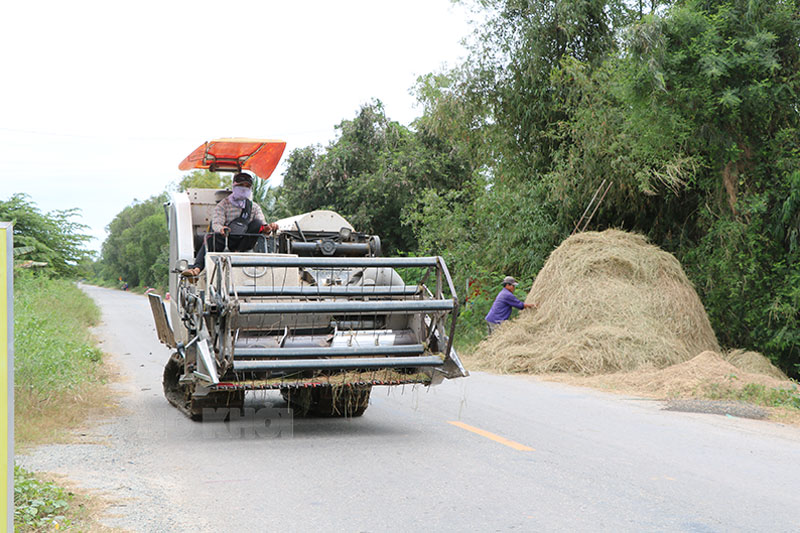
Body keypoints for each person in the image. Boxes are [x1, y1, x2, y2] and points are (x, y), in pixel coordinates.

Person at [182, 172, 278, 277]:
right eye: (241, 185)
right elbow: (217, 223)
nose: (244, 188)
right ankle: (196, 269)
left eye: (247, 186)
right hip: (226, 238)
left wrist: (269, 228)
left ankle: (238, 252)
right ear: (234, 186)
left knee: (257, 223)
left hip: (244, 242)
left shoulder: (254, 207)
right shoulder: (223, 205)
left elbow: (262, 225)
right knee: (209, 238)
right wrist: (221, 229)